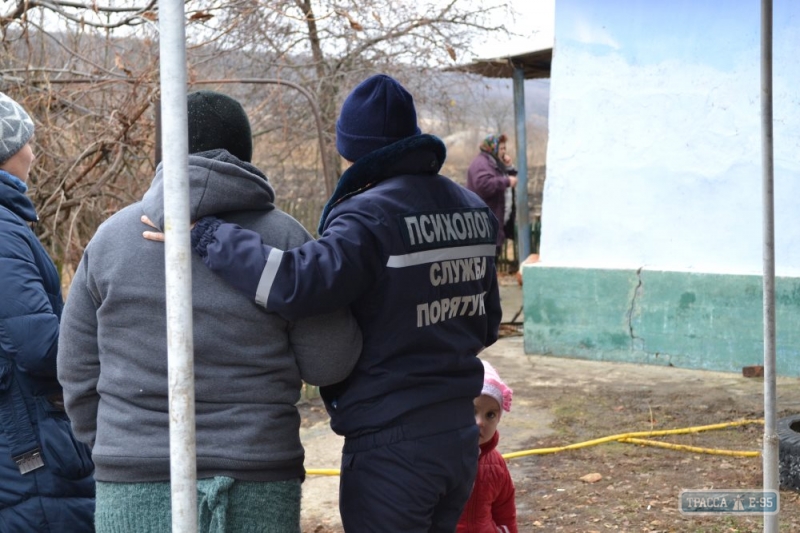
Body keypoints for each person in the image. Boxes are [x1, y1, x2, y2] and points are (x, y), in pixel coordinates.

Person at [147, 74, 504, 532]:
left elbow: (296, 282)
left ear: (349, 149)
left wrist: (206, 233)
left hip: (393, 445)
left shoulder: (370, 215)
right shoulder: (472, 209)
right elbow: (488, 322)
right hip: (457, 437)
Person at [57, 90, 362, 532]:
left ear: (164, 151)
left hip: (132, 477)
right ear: (246, 153)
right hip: (257, 476)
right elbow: (329, 361)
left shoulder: (111, 239)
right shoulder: (287, 240)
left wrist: (114, 445)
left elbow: (75, 371)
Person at [0, 91, 96, 531]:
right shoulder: (2, 235)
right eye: (25, 142)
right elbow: (40, 346)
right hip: (29, 455)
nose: (33, 154)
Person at [456, 359, 517, 533]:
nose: (480, 422)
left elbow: (505, 514)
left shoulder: (496, 464)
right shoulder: (437, 458)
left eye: (490, 414)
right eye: (472, 411)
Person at [466, 134, 518, 258]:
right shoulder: (482, 164)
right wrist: (506, 182)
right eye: (501, 149)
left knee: (493, 264)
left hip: (493, 224)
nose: (504, 152)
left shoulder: (493, 162)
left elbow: (506, 177)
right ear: (492, 149)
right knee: (487, 267)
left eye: (505, 148)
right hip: (483, 226)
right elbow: (483, 185)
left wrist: (509, 166)